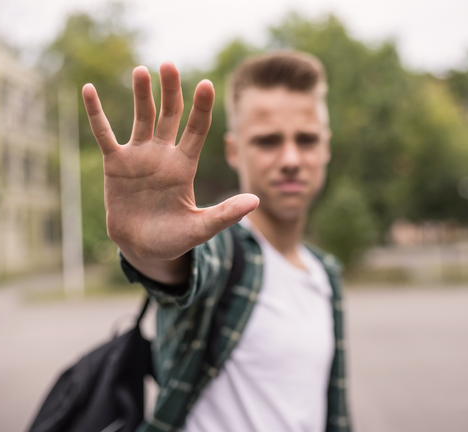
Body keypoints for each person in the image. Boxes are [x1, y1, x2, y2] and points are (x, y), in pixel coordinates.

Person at [81, 51, 351, 432]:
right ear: (233, 151)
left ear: (325, 148)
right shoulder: (225, 251)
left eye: (306, 140)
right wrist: (151, 253)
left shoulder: (326, 274)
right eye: (268, 141)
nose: (291, 158)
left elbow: (336, 413)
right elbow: (185, 271)